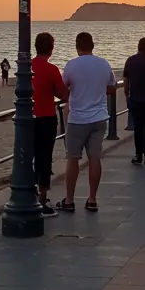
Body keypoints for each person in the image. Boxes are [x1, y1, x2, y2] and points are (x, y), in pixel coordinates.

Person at [58, 32, 116, 213]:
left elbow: (62, 88)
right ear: (93, 46)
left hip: (78, 118)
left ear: (77, 46)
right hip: (99, 117)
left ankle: (69, 200)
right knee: (94, 158)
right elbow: (112, 87)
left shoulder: (71, 65)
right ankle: (92, 199)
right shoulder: (103, 64)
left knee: (73, 158)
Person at [32, 32, 68, 215]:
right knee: (44, 157)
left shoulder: (27, 66)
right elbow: (63, 94)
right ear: (51, 49)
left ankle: (28, 193)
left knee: (27, 156)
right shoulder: (51, 69)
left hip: (28, 118)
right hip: (46, 117)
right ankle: (42, 197)